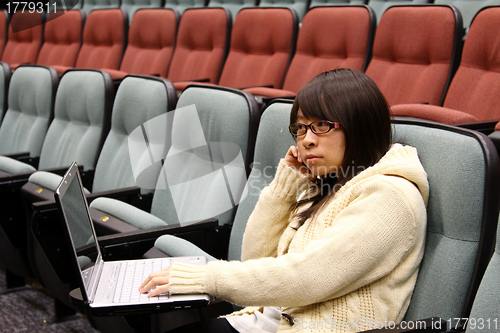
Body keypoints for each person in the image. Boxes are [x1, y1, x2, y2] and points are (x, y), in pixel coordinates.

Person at [139, 68, 429, 333]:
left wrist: (205, 279)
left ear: (359, 126)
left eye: (321, 125)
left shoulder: (389, 197)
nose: (306, 140)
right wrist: (284, 188)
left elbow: (307, 277)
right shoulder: (328, 184)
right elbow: (256, 260)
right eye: (300, 128)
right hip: (267, 320)